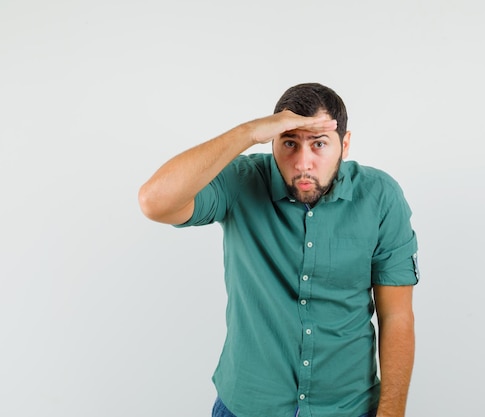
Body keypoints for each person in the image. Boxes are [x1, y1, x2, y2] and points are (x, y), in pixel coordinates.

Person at [138, 83, 419, 417]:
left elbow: (397, 316)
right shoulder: (242, 181)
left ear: (344, 145)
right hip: (248, 405)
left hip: (347, 408)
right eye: (289, 142)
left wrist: (391, 413)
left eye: (319, 144)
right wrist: (248, 132)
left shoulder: (380, 196)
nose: (303, 163)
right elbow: (154, 202)